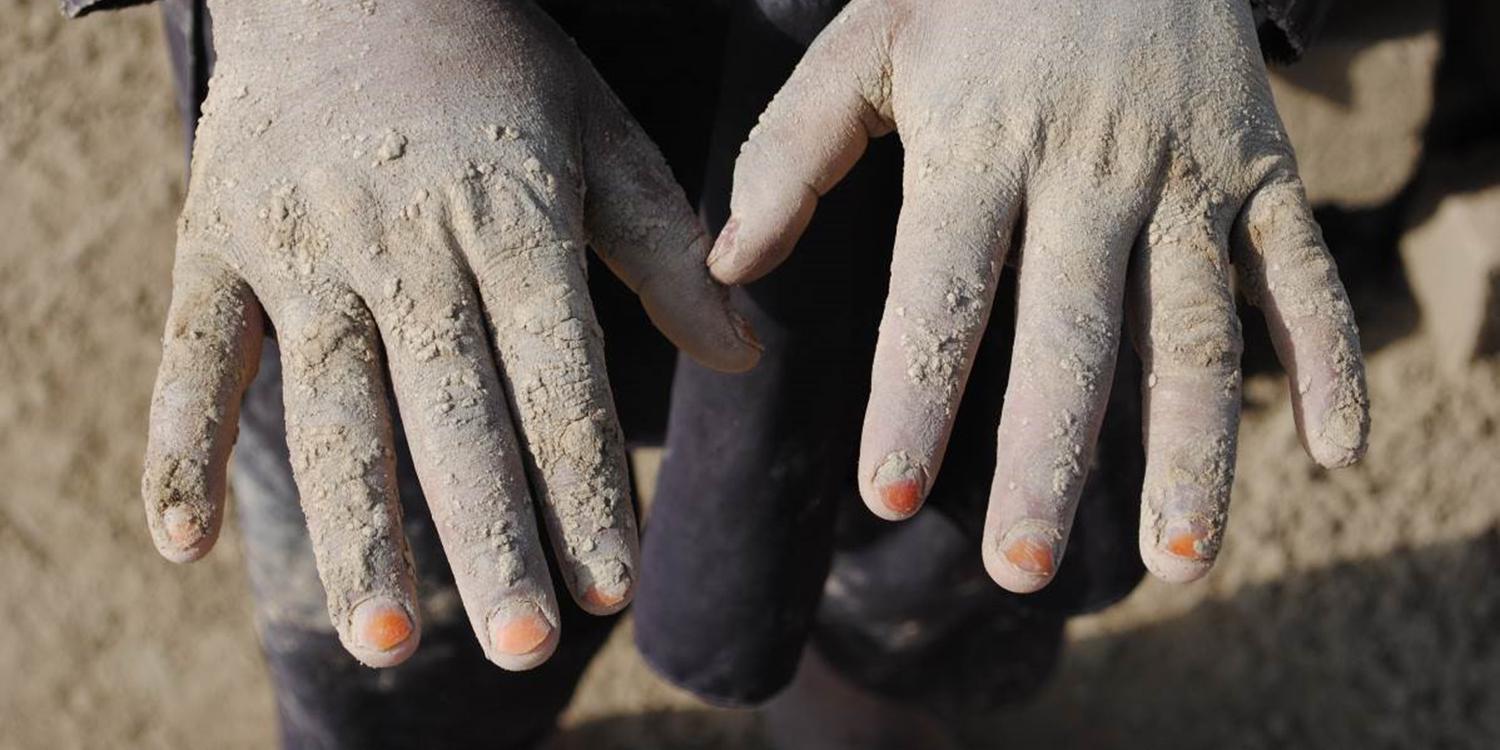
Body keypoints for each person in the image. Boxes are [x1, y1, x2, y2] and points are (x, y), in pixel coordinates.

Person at [62, 1, 1365, 748]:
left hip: (1004, 59)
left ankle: (863, 672)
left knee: (931, 458)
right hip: (374, 86)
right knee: (416, 549)